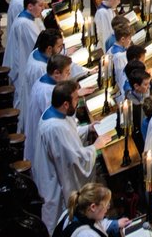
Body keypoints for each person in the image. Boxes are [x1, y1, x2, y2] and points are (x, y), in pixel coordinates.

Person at [34, 80, 114, 231]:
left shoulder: (56, 114)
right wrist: (94, 147)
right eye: (76, 99)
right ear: (65, 104)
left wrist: (88, 128)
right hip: (56, 183)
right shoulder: (55, 127)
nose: (78, 102)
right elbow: (74, 160)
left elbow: (71, 136)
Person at [24, 53, 72, 168]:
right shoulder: (48, 92)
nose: (69, 75)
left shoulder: (44, 81)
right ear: (56, 73)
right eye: (67, 72)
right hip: (47, 154)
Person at [52, 182, 130, 237]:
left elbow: (96, 224)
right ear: (93, 207)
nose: (108, 208)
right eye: (106, 204)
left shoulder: (72, 211)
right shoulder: (86, 234)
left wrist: (116, 224)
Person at [6, 0, 46, 94]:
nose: (42, 9)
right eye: (40, 5)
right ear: (30, 6)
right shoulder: (25, 24)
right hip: (22, 66)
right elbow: (39, 47)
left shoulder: (27, 18)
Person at [17, 28, 64, 111]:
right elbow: (48, 96)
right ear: (49, 49)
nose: (61, 50)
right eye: (59, 47)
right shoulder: (40, 69)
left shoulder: (38, 51)